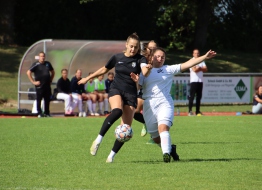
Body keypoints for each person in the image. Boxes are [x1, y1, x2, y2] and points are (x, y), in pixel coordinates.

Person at [78, 33, 150, 163]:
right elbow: (103, 70)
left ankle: (111, 156)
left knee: (126, 128)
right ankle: (98, 140)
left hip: (131, 93)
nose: (133, 49)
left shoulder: (141, 59)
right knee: (117, 111)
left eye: (135, 47)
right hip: (116, 89)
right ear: (126, 45)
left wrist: (145, 71)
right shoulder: (117, 57)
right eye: (131, 46)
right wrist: (87, 78)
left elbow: (144, 70)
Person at [141, 47, 216, 162]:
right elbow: (137, 87)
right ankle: (171, 149)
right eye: (158, 56)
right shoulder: (143, 71)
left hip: (164, 102)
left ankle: (166, 154)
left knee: (163, 128)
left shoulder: (168, 69)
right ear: (151, 57)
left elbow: (188, 64)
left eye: (163, 57)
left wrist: (204, 57)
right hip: (149, 105)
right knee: (156, 138)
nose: (160, 58)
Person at [135, 40, 157, 143]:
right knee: (135, 112)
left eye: (154, 48)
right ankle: (146, 124)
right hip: (143, 88)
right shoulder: (142, 59)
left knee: (156, 114)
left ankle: (154, 137)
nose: (152, 50)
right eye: (150, 48)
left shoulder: (159, 59)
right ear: (146, 48)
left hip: (155, 90)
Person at [26, 51, 55, 118]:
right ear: (39, 57)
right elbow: (28, 72)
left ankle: (47, 113)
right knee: (39, 99)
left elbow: (53, 72)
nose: (42, 58)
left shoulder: (48, 64)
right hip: (40, 86)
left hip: (47, 85)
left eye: (43, 56)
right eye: (41, 56)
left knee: (47, 100)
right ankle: (39, 113)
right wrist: (33, 82)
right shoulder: (36, 64)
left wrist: (50, 80)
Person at [188, 49, 207, 116]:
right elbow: (194, 69)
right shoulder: (191, 61)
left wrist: (199, 68)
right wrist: (200, 68)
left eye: (198, 53)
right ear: (193, 54)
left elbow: (206, 69)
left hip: (200, 81)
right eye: (195, 53)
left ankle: (197, 111)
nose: (197, 54)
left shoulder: (201, 60)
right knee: (192, 96)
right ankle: (190, 111)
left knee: (199, 97)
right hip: (193, 81)